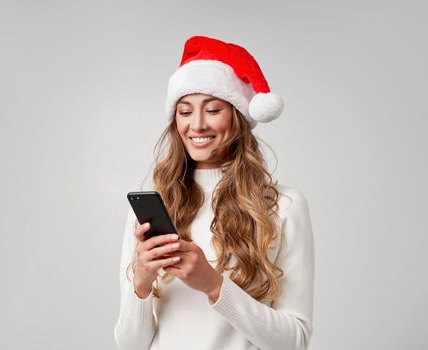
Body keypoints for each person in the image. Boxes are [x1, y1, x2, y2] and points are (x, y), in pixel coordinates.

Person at [113, 35, 315, 350]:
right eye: (185, 111)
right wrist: (140, 282)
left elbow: (294, 342)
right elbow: (130, 345)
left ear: (237, 117)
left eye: (213, 109)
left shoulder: (284, 206)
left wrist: (214, 285)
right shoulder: (153, 209)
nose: (198, 125)